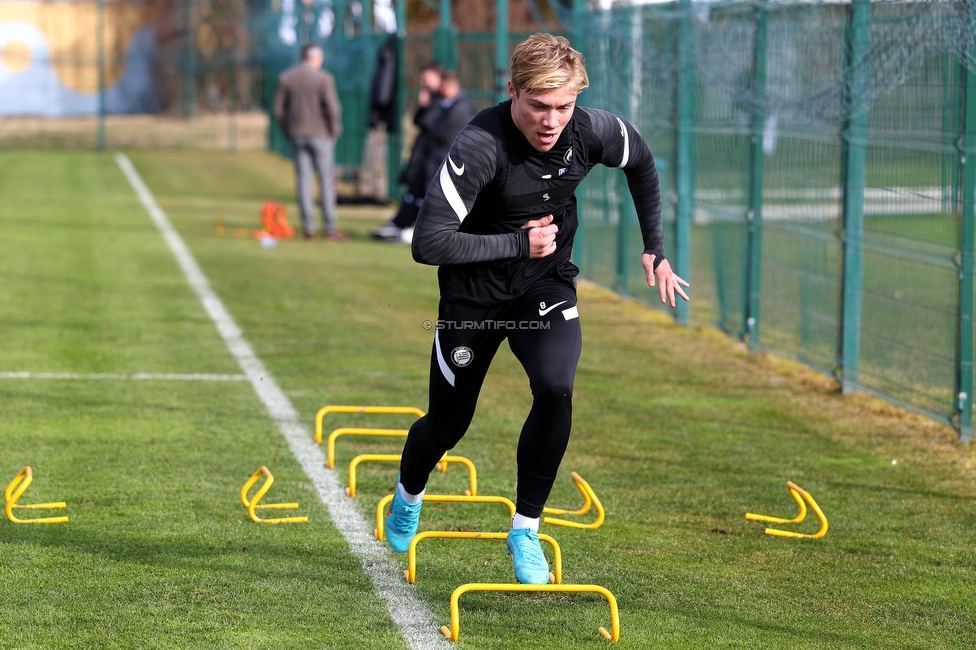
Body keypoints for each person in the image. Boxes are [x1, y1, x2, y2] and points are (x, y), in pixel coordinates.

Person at [384, 33, 690, 584]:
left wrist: (655, 248)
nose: (552, 121)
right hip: (472, 297)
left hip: (543, 285)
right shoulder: (480, 144)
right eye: (539, 106)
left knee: (556, 386)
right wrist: (516, 244)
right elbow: (427, 244)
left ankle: (525, 528)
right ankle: (408, 494)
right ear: (512, 92)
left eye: (563, 106)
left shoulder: (590, 129)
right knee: (448, 424)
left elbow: (641, 162)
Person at [274, 43, 346, 241]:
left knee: (303, 181)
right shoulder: (324, 78)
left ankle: (309, 227)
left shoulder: (286, 77)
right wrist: (334, 131)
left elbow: (279, 110)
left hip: (297, 134)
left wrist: (288, 130)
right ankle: (330, 227)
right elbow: (332, 108)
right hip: (321, 134)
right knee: (325, 181)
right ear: (316, 58)